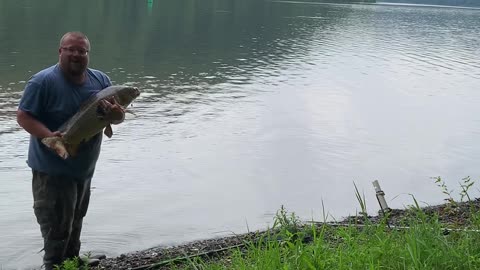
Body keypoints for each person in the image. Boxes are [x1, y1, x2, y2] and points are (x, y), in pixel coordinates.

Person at [17, 32, 111, 269]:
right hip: (52, 172)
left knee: (76, 219)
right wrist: (50, 136)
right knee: (56, 228)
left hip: (83, 169)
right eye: (71, 49)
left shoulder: (100, 81)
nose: (77, 54)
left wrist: (118, 114)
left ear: (88, 54)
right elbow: (23, 116)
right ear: (60, 51)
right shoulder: (42, 82)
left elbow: (114, 119)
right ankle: (54, 265)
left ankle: (72, 261)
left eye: (82, 51)